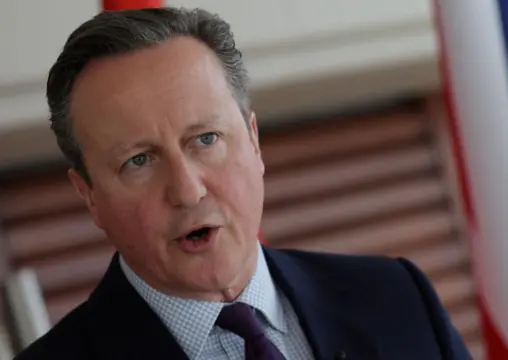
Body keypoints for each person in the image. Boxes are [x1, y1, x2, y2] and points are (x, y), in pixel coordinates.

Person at [15, 7, 472, 360]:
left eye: (206, 139)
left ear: (253, 140)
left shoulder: (396, 296)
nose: (188, 191)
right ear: (89, 195)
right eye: (139, 161)